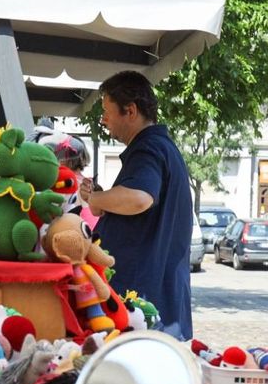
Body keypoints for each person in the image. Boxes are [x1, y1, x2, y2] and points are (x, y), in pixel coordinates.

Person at [79, 70, 194, 339]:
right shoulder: (159, 147)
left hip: (144, 305)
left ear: (130, 110)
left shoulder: (148, 148)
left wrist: (95, 199)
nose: (104, 120)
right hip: (153, 302)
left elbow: (139, 198)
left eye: (107, 111)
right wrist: (101, 200)